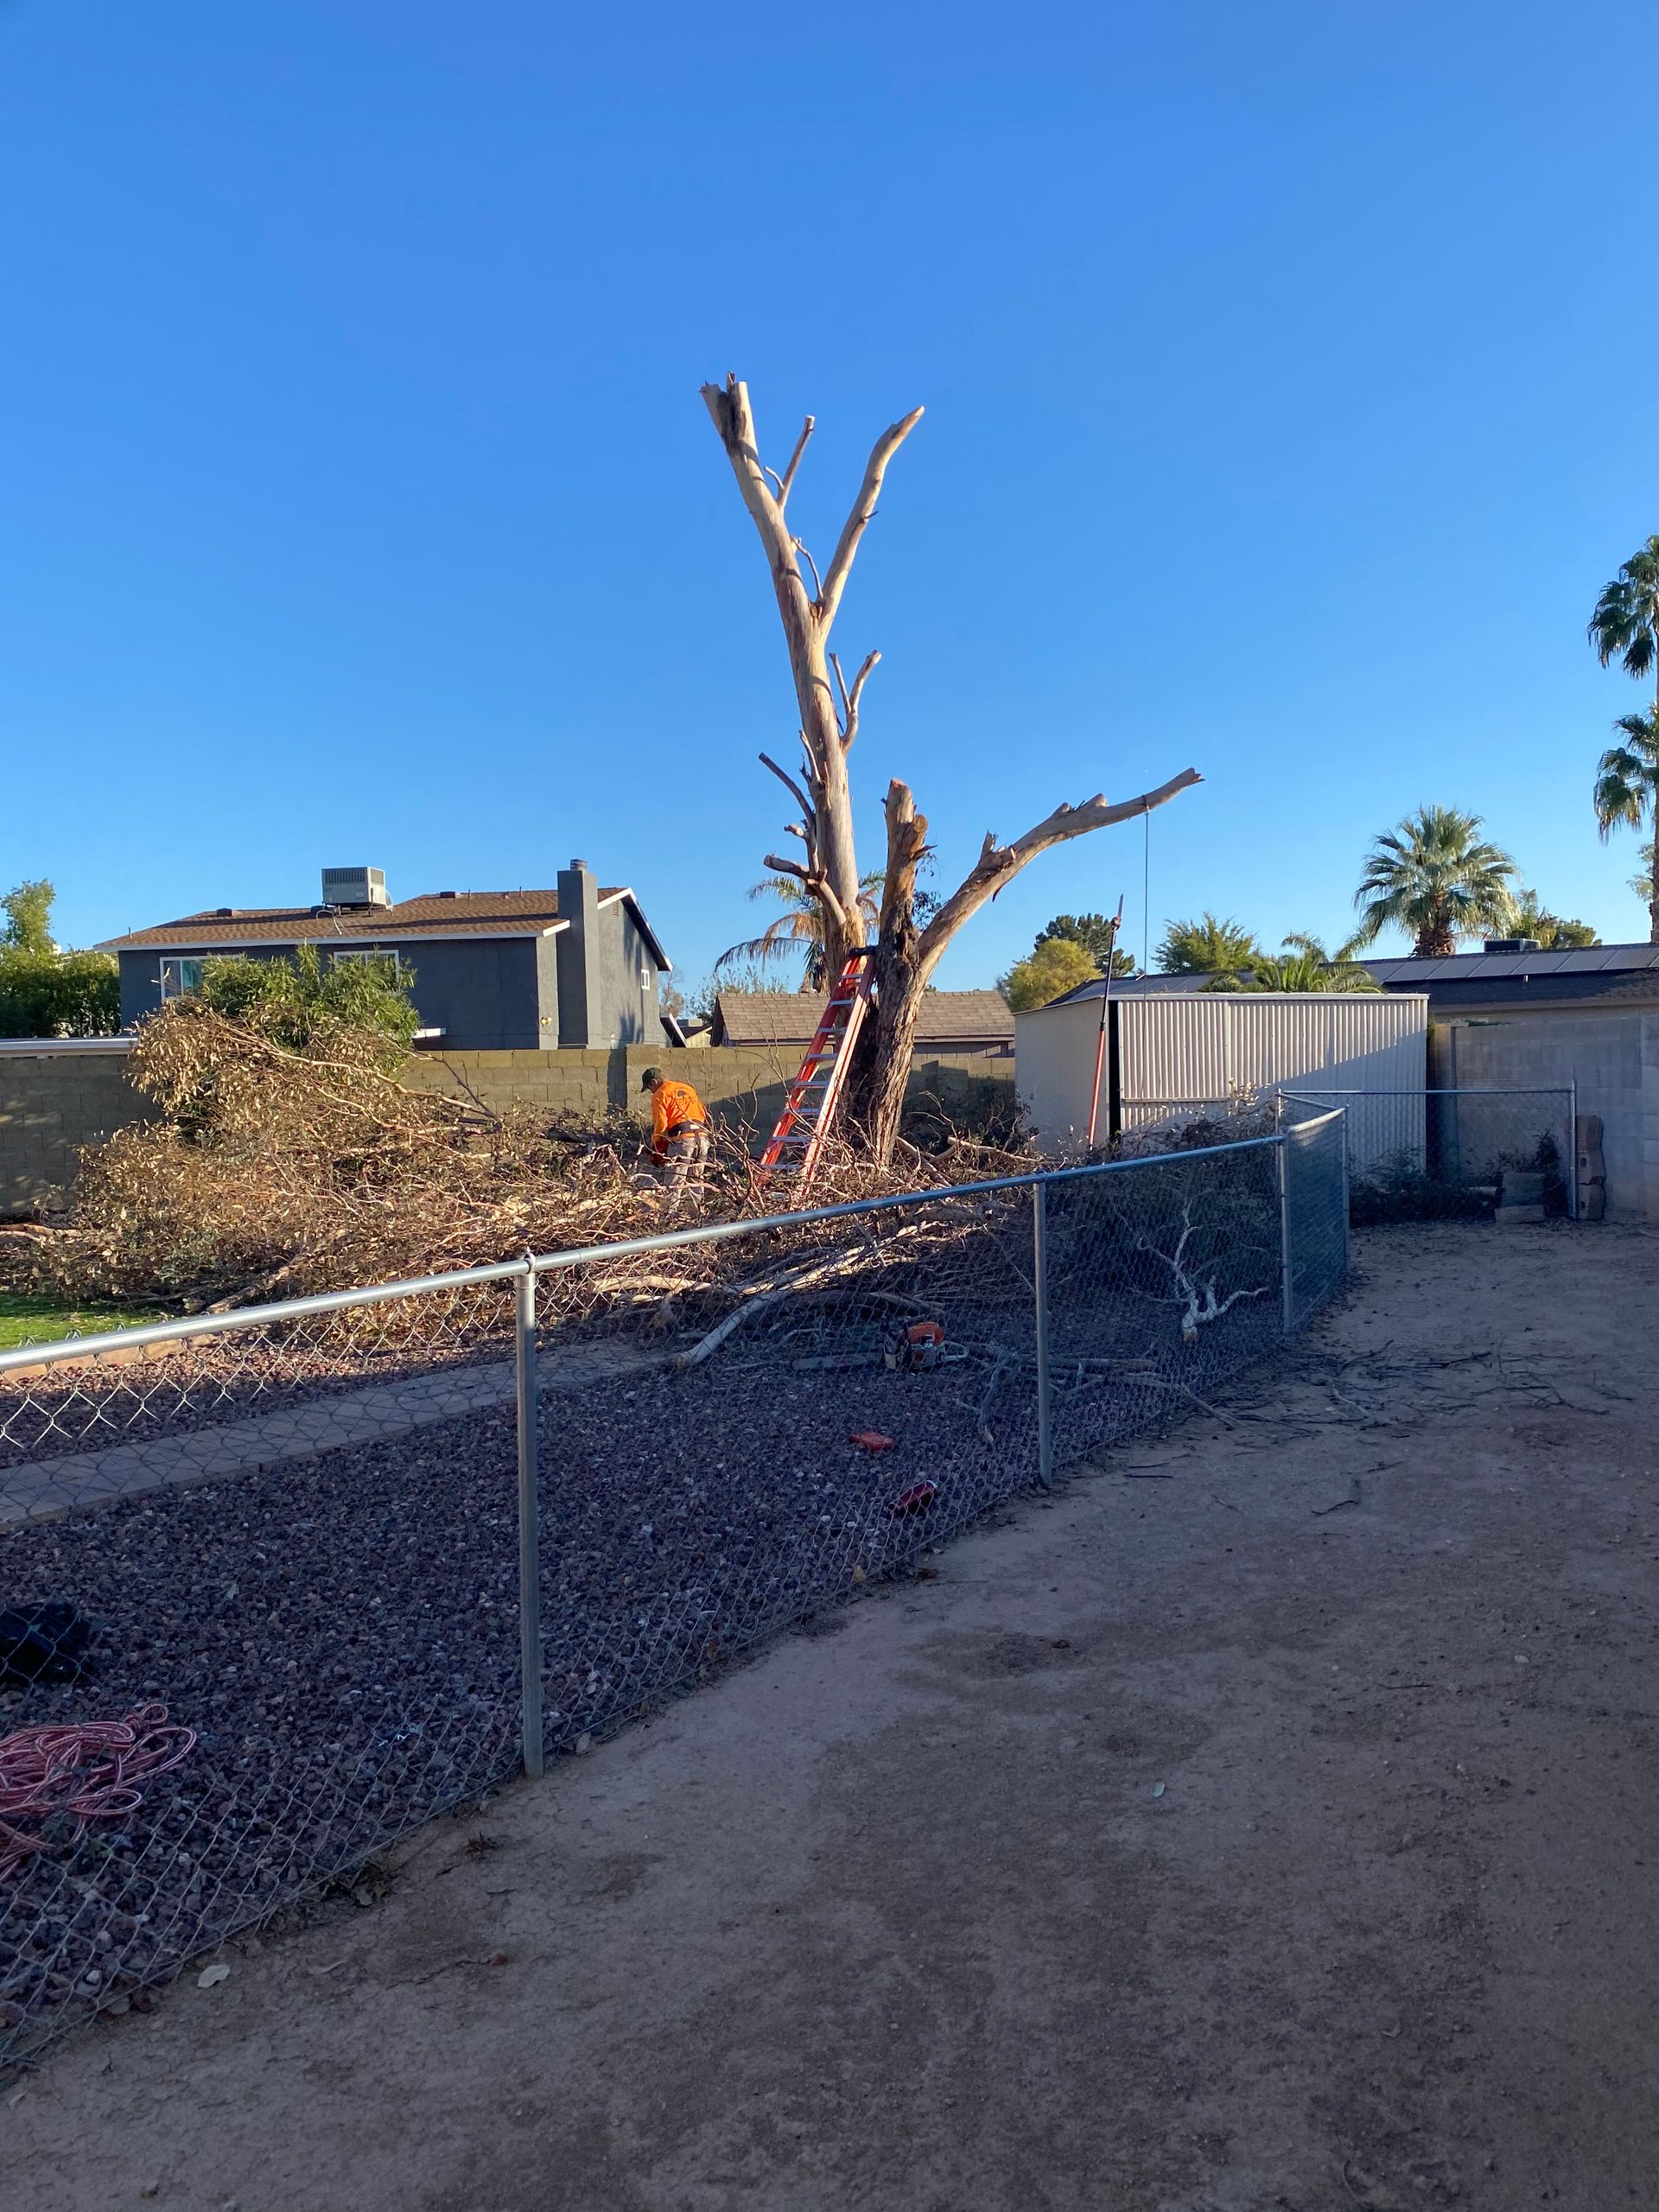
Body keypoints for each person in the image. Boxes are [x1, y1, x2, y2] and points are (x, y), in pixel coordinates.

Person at [639, 1065, 710, 1209]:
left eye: (649, 1088)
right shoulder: (688, 1088)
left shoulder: (660, 1094)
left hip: (682, 1141)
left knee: (674, 1182)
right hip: (702, 1138)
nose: (651, 1091)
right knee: (696, 1180)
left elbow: (661, 1124)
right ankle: (698, 1219)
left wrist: (655, 1144)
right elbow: (702, 1113)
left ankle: (668, 1220)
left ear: (654, 1082)